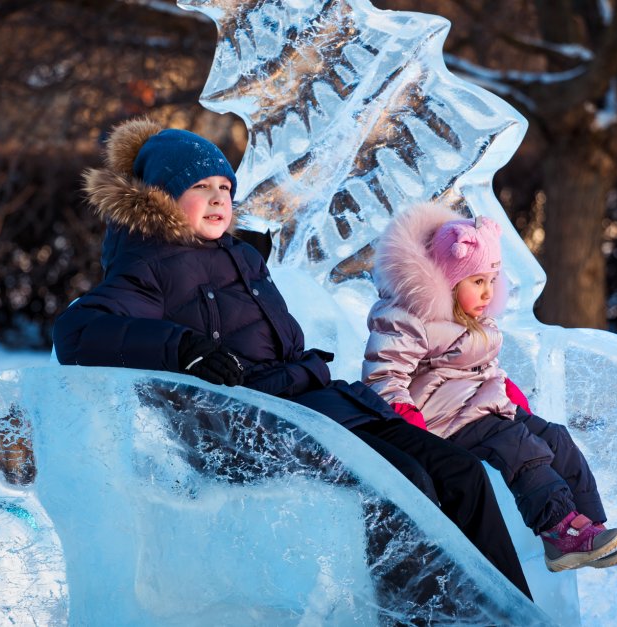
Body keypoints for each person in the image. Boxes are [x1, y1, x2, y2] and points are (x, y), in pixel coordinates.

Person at [52, 117, 533, 599]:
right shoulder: (145, 265)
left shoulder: (240, 255)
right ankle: (413, 616)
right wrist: (182, 348)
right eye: (200, 186)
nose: (220, 197)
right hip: (246, 427)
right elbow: (78, 332)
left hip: (313, 401)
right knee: (401, 483)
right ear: (160, 196)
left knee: (460, 472)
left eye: (225, 185)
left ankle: (511, 613)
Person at [361, 203, 617, 573]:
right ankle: (558, 531)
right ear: (448, 280)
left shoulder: (475, 317)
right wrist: (408, 423)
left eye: (492, 280)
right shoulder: (409, 315)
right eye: (478, 282)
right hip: (445, 418)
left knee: (555, 437)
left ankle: (588, 525)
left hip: (485, 406)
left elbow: (486, 368)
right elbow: (384, 375)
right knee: (518, 446)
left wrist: (513, 400)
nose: (489, 292)